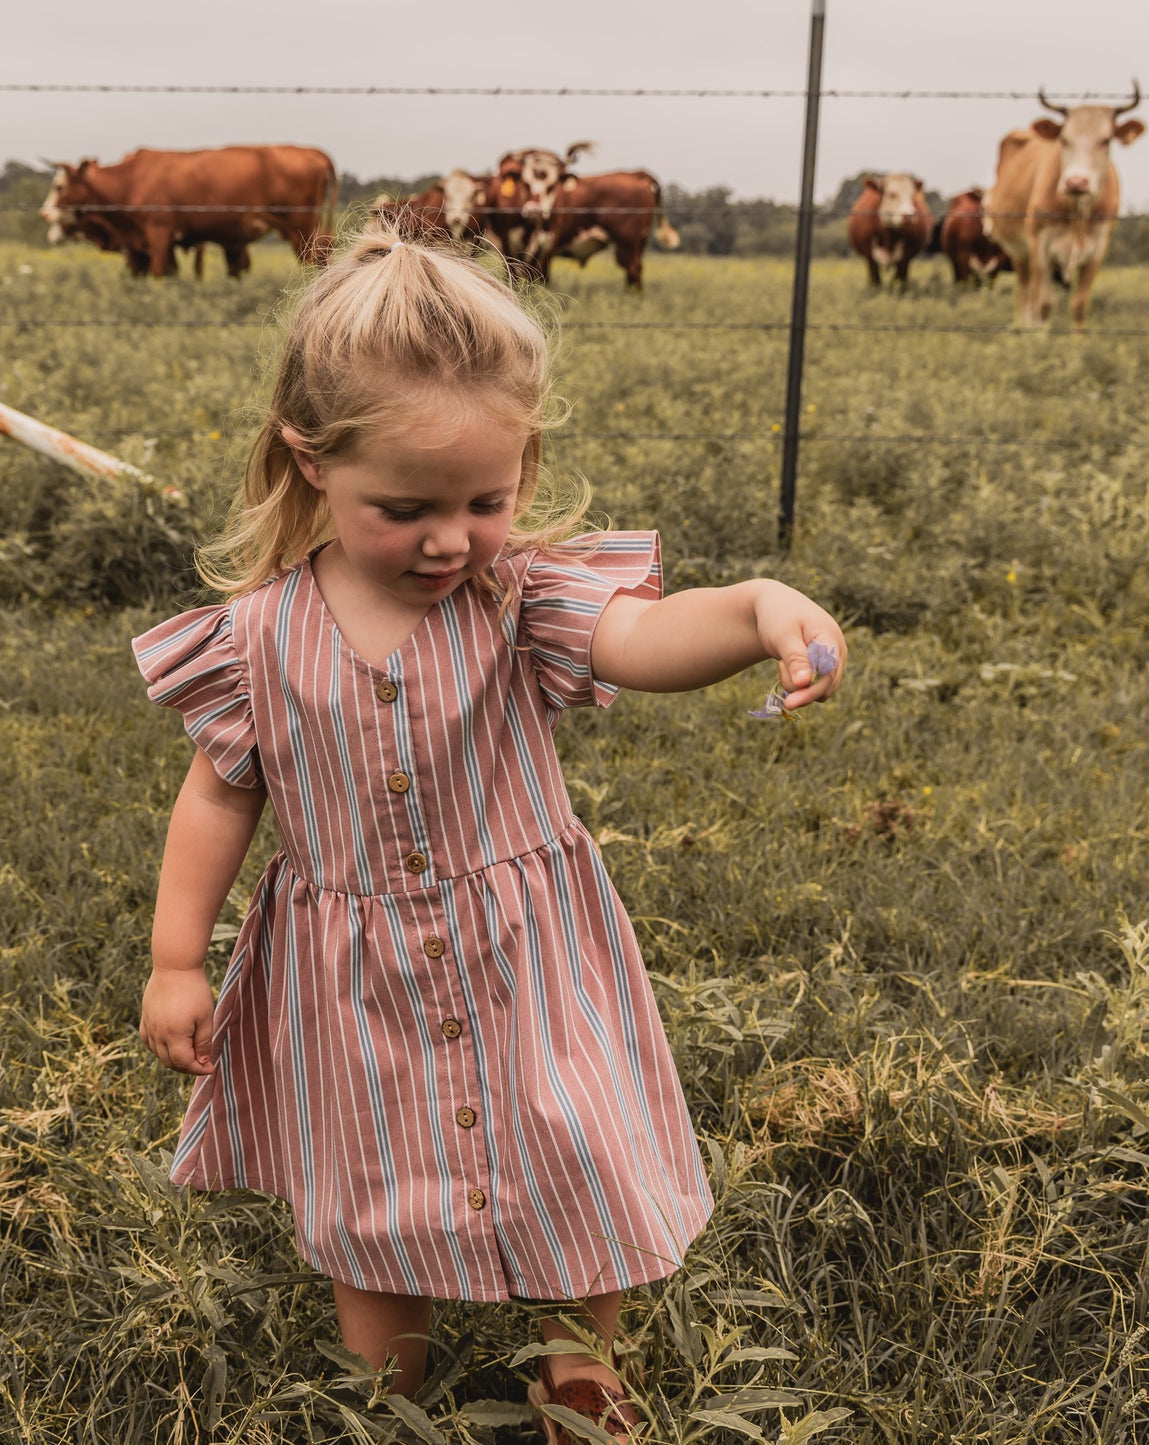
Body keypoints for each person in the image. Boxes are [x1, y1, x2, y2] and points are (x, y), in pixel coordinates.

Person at [132, 221, 846, 1440]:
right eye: (403, 508)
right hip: (345, 967)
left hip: (527, 943)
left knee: (569, 1141)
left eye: (486, 498)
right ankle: (385, 1389)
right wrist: (176, 957)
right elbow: (220, 792)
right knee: (368, 1176)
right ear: (311, 461)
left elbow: (643, 639)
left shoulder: (517, 595)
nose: (451, 537)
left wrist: (758, 609)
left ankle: (577, 1362)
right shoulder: (255, 636)